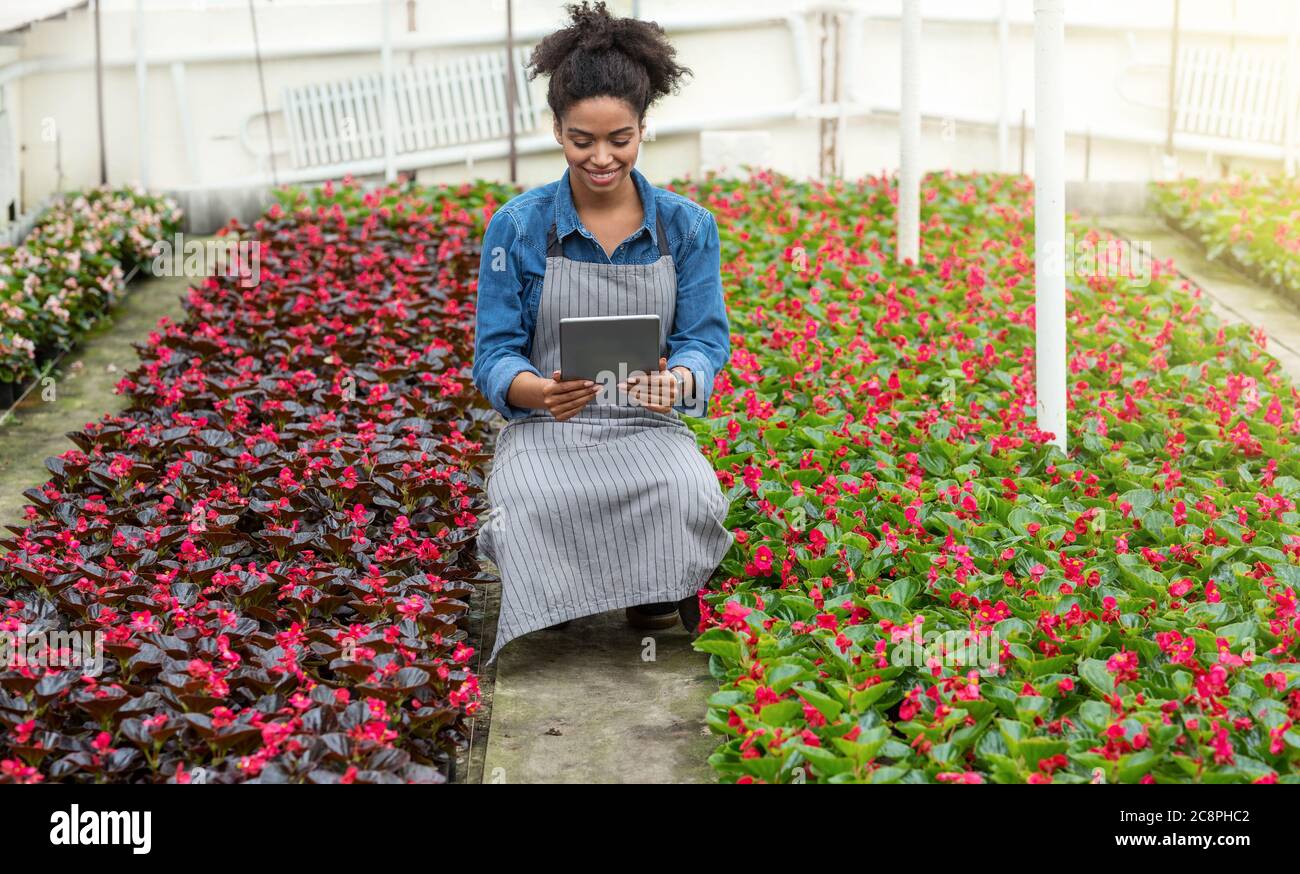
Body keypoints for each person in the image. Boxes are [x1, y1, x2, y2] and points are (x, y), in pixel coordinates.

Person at [472, 1, 733, 664]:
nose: (600, 157)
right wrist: (535, 391)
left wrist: (679, 380)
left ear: (643, 128)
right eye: (581, 139)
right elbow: (495, 354)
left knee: (688, 489)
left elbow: (706, 339)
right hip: (549, 430)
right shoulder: (519, 227)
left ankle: (650, 592)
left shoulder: (688, 227)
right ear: (555, 129)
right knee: (524, 499)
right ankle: (558, 595)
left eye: (619, 138)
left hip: (646, 427)